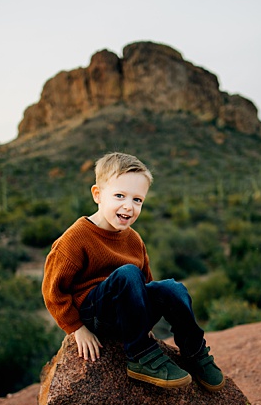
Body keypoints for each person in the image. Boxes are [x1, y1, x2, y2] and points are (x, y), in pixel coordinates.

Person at [41, 152, 224, 391]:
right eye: (119, 196)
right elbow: (52, 290)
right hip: (96, 314)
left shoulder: (134, 239)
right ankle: (140, 357)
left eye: (137, 200)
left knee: (172, 288)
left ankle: (194, 351)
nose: (129, 206)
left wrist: (142, 318)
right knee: (127, 273)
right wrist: (77, 328)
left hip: (127, 313)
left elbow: (146, 282)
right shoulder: (76, 238)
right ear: (98, 195)